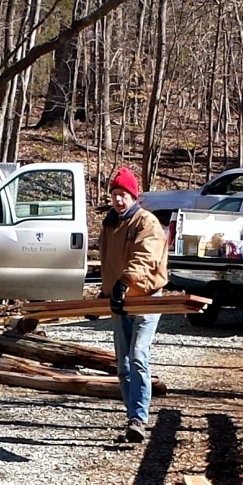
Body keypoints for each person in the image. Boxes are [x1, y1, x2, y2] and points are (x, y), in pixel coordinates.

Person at [97, 165, 168, 444]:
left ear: (133, 196)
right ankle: (132, 421)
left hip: (147, 297)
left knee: (139, 356)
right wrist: (105, 294)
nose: (118, 199)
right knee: (123, 366)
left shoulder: (146, 222)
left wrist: (125, 281)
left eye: (123, 194)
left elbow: (146, 256)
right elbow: (107, 263)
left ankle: (139, 417)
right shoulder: (110, 224)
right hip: (119, 300)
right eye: (114, 194)